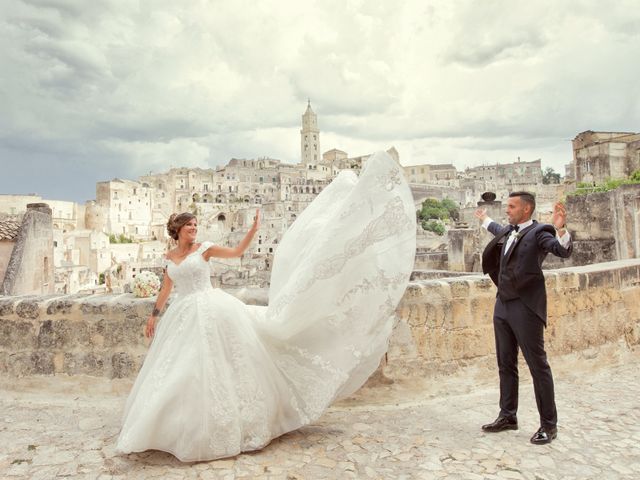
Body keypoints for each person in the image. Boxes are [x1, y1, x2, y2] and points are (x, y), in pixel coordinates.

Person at [116, 151, 416, 461]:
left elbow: (235, 253)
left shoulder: (205, 250)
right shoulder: (170, 259)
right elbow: (167, 288)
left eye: (195, 225)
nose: (194, 229)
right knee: (180, 368)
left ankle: (221, 423)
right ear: (177, 231)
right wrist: (154, 315)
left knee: (218, 365)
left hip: (212, 307)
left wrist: (252, 231)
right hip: (182, 313)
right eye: (189, 226)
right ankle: (172, 425)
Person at [474, 192, 572, 445]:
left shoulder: (540, 232)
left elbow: (560, 250)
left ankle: (549, 426)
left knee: (538, 367)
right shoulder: (509, 230)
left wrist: (560, 229)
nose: (507, 210)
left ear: (526, 209)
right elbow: (496, 228)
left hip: (526, 308)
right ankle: (508, 416)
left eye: (511, 206)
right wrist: (484, 219)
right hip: (503, 305)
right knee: (505, 364)